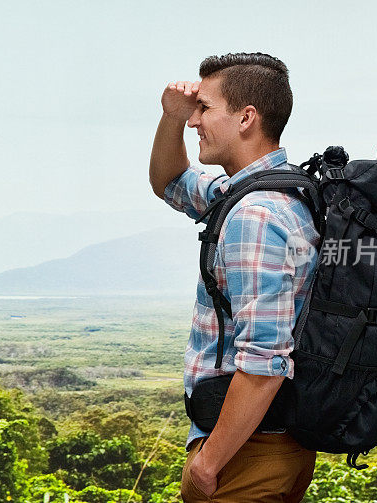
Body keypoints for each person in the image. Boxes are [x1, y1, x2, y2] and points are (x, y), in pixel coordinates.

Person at [149, 52, 320, 502]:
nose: (194, 122)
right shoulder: (269, 191)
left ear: (246, 117)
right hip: (273, 443)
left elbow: (265, 360)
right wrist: (171, 116)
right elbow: (170, 181)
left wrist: (209, 463)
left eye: (204, 109)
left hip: (248, 450)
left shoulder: (255, 215)